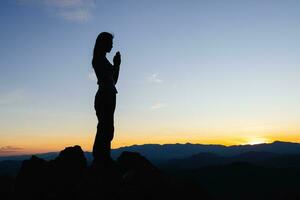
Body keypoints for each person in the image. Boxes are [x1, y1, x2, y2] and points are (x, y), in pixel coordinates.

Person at [92, 32, 121, 164]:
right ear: (103, 43)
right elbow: (108, 79)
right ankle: (101, 158)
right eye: (110, 42)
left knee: (107, 127)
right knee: (105, 127)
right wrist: (115, 66)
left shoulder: (103, 60)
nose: (112, 45)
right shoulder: (98, 59)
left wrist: (117, 65)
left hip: (108, 94)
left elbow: (113, 80)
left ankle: (103, 157)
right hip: (104, 96)